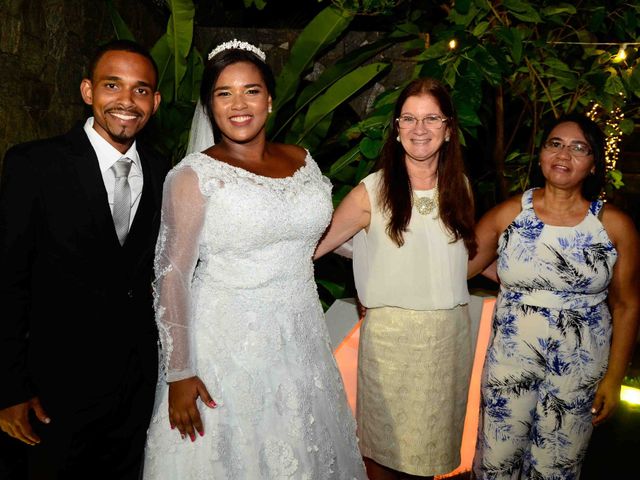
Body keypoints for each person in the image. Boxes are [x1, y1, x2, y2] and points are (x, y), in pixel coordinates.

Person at [142, 39, 367, 479]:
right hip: (225, 350)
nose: (238, 104)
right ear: (210, 105)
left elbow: (319, 236)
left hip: (300, 343)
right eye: (224, 93)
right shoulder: (193, 176)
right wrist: (180, 372)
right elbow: (171, 277)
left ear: (270, 98)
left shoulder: (303, 160)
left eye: (251, 90)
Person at [0, 39, 169, 479]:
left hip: (134, 393)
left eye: (141, 89)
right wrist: (8, 390)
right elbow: (7, 282)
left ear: (155, 101)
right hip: (52, 392)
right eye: (113, 85)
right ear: (87, 91)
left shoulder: (165, 172)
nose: (127, 101)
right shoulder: (34, 165)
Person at [315, 77, 477, 479]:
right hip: (391, 341)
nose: (419, 129)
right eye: (408, 118)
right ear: (397, 128)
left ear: (448, 128)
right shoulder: (373, 190)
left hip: (448, 338)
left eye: (431, 118)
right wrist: (370, 269)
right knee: (383, 455)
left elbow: (457, 256)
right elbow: (316, 245)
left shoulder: (462, 188)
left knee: (430, 455)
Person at [469, 113, 640, 479]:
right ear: (542, 154)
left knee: (557, 468)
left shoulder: (613, 225)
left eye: (579, 148)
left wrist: (613, 378)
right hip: (510, 367)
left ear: (593, 164)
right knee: (496, 462)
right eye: (555, 144)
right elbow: (459, 265)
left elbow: (627, 305)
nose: (565, 155)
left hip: (578, 371)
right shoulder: (510, 214)